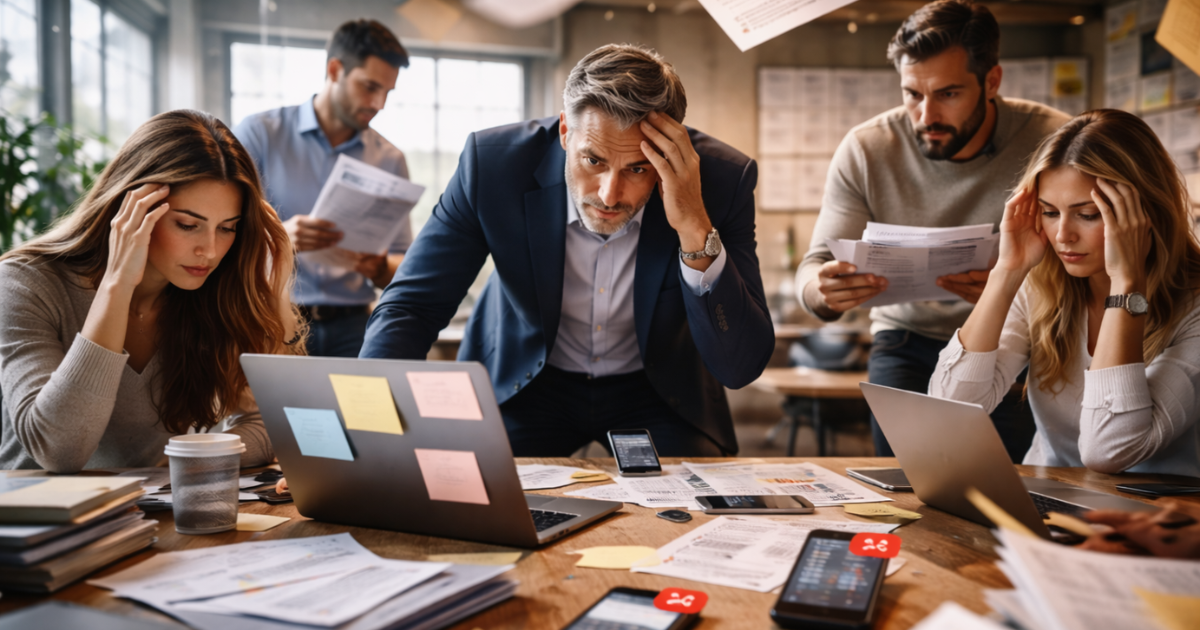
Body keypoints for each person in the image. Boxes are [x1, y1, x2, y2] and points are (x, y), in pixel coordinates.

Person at [359, 44, 774, 456]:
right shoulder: (493, 166)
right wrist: (370, 421)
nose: (610, 195)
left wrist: (694, 226)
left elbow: (739, 366)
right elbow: (414, 305)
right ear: (564, 132)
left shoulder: (722, 182)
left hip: (659, 391)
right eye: (593, 161)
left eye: (637, 168)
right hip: (527, 382)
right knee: (479, 504)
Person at [794, 0, 1070, 459]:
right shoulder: (867, 148)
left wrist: (1019, 288)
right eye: (912, 94)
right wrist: (823, 293)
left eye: (948, 94)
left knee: (1002, 486)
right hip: (906, 339)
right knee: (905, 486)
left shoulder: (1050, 141)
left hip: (1015, 341)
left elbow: (1083, 264)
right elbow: (812, 270)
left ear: (992, 82)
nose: (925, 116)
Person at [0, 110, 302, 473]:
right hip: (35, 523)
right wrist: (117, 284)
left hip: (146, 519)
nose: (209, 250)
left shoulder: (208, 294)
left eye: (227, 228)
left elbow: (271, 423)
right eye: (188, 225)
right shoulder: (24, 283)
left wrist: (198, 459)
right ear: (131, 210)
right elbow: (60, 450)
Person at [930, 109, 1200, 476]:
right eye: (1049, 212)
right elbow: (947, 411)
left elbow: (1109, 450)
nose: (1063, 236)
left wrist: (1126, 284)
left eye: (1087, 214)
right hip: (1046, 503)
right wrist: (1006, 272)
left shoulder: (1194, 304)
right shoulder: (1043, 283)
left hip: (1158, 519)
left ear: (1146, 214)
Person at [234, 19, 411, 357]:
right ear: (335, 70)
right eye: (370, 87)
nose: (379, 104)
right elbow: (221, 234)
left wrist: (378, 267)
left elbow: (404, 262)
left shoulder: (391, 159)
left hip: (354, 327)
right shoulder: (259, 134)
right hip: (272, 318)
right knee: (272, 412)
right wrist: (280, 237)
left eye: (387, 92)